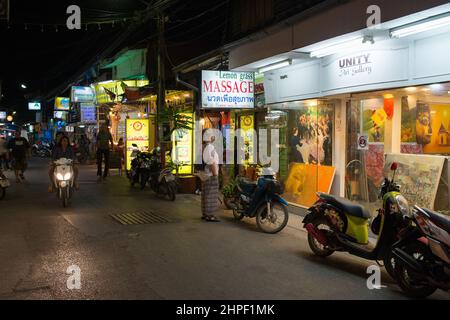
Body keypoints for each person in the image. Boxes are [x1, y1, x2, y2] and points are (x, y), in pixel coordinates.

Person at [200, 134, 220, 222]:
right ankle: (210, 215)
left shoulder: (205, 147)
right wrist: (215, 174)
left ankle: (205, 213)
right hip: (211, 175)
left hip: (206, 174)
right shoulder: (210, 147)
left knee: (206, 194)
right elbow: (212, 162)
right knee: (211, 195)